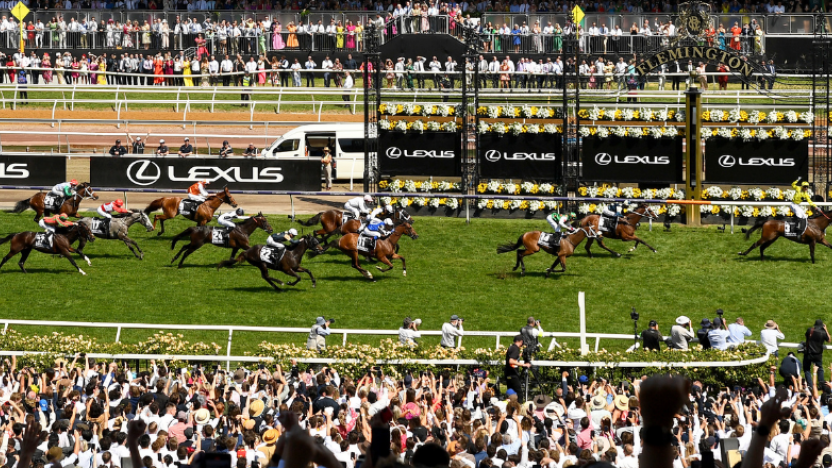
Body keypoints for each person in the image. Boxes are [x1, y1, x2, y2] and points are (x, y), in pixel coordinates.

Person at [804, 319, 830, 386]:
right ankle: (821, 384)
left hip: (809, 353)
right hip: (818, 354)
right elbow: (829, 340)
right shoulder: (823, 333)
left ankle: (810, 385)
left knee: (807, 369)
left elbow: (806, 336)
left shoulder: (810, 330)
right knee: (820, 369)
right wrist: (826, 329)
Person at [504, 334, 530, 398]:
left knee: (511, 393)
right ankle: (519, 404)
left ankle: (511, 403)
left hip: (508, 374)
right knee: (519, 393)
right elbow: (511, 361)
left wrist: (519, 355)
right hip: (513, 374)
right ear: (521, 341)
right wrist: (523, 364)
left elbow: (513, 357)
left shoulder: (512, 347)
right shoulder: (515, 349)